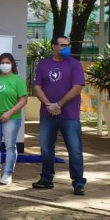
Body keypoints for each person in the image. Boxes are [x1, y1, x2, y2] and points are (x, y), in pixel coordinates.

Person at [32, 35, 86, 195]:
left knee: (75, 149)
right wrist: (49, 104)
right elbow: (37, 87)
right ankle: (46, 178)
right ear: (53, 46)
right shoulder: (43, 64)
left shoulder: (75, 65)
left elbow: (77, 87)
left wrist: (59, 104)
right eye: (62, 45)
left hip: (69, 115)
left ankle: (78, 182)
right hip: (47, 114)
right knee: (46, 148)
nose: (66, 48)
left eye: (68, 45)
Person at [0, 52, 28, 185]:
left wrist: (9, 112)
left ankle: (8, 173)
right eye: (2, 63)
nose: (5, 65)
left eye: (7, 62)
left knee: (9, 146)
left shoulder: (17, 80)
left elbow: (24, 100)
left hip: (11, 118)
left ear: (12, 64)